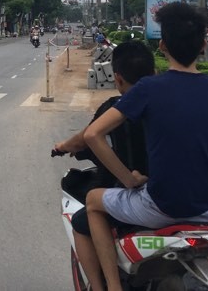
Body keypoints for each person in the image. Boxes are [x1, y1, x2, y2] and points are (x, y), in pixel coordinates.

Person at [84, 1, 208, 291]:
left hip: (160, 207)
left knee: (94, 202)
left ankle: (109, 286)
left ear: (162, 46)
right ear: (202, 46)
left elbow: (92, 135)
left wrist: (128, 179)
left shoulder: (148, 89)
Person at [53, 41, 155, 291]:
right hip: (177, 194)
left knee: (82, 220)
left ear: (118, 78)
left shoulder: (116, 108)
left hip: (139, 195)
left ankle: (103, 286)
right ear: (154, 73)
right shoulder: (169, 104)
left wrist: (62, 146)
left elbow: (86, 137)